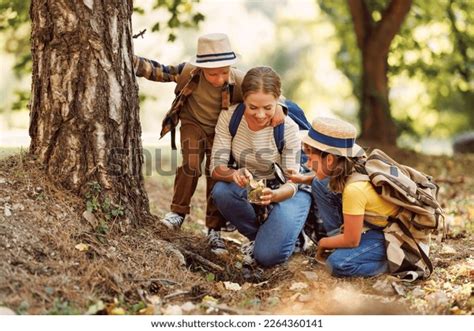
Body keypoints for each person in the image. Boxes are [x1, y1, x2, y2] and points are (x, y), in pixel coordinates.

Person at [133, 33, 285, 255]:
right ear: (201, 67)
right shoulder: (188, 72)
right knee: (192, 164)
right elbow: (160, 71)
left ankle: (214, 229)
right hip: (193, 124)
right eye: (213, 74)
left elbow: (267, 94)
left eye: (224, 72)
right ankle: (177, 213)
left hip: (221, 132)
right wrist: (131, 60)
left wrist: (279, 106)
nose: (219, 79)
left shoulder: (240, 80)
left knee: (216, 174)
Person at [210, 66, 312, 267]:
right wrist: (233, 174)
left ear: (278, 100)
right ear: (244, 99)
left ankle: (282, 238)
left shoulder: (287, 127)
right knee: (222, 191)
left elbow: (293, 184)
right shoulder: (230, 118)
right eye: (252, 107)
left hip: (289, 190)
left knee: (267, 258)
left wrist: (274, 196)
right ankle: (263, 238)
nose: (260, 115)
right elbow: (216, 167)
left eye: (268, 108)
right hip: (253, 185)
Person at [288, 117, 393, 277]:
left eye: (310, 159)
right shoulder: (350, 166)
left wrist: (323, 243)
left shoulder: (354, 190)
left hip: (388, 234)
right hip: (370, 225)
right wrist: (304, 179)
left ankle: (391, 263)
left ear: (329, 160)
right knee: (319, 183)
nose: (308, 165)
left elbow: (352, 240)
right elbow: (325, 178)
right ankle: (339, 241)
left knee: (337, 264)